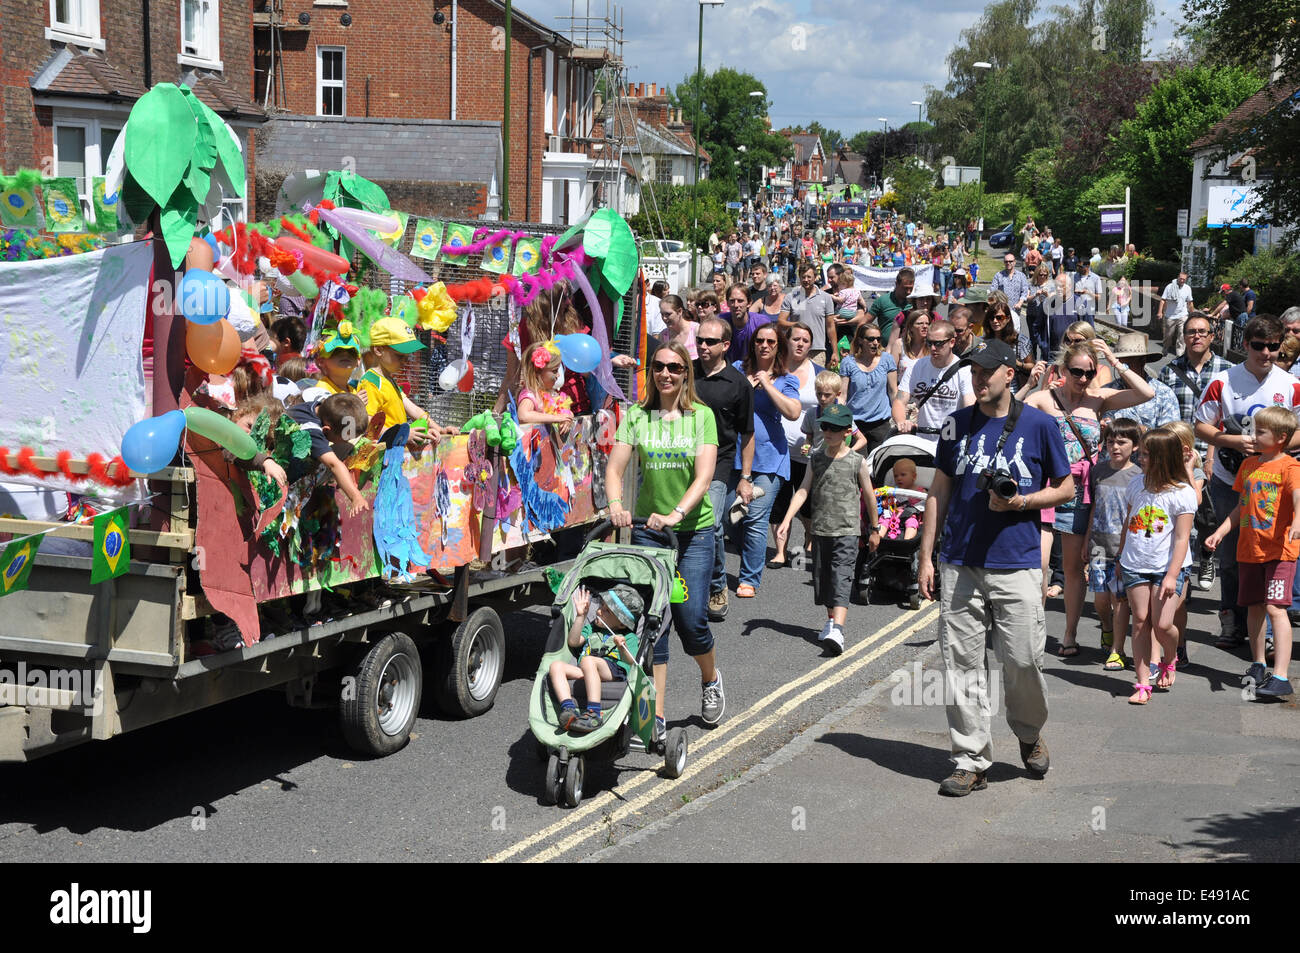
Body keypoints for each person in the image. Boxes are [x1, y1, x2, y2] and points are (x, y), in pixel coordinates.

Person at [919, 338, 1073, 796]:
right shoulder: (955, 424)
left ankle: (1028, 731)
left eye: (987, 371)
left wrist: (1022, 502)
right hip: (960, 561)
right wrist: (926, 556)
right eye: (973, 371)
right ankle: (970, 760)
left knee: (1023, 660)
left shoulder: (1041, 425)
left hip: (1017, 561)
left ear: (1010, 373)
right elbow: (938, 491)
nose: (978, 378)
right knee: (961, 665)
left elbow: (1066, 488)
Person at [607, 342, 725, 730]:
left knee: (691, 622)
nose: (666, 374)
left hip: (693, 533)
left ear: (686, 373)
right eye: (659, 367)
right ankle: (655, 712)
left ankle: (710, 678)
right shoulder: (638, 416)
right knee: (652, 624)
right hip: (649, 532)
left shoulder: (701, 416)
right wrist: (615, 504)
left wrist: (677, 514)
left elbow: (704, 477)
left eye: (674, 367)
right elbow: (615, 468)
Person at [1027, 338, 1154, 656]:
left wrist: (1113, 358)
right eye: (1076, 372)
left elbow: (1145, 393)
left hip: (1079, 493)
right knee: (1038, 566)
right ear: (1063, 370)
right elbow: (1009, 417)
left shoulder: (1098, 399)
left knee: (1072, 569)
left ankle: (1069, 634)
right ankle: (1034, 632)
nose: (1083, 379)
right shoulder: (1042, 399)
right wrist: (1030, 384)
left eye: (1089, 372)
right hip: (1046, 488)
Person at [1195, 315, 1300, 648]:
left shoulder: (1291, 385)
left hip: (1274, 486)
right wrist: (1234, 441)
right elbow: (1201, 425)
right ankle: (1232, 620)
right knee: (1232, 556)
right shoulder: (1223, 381)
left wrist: (1274, 448)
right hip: (1231, 480)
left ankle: (1265, 632)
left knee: (1270, 555)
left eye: (1273, 346)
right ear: (1244, 345)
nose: (1266, 353)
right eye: (1258, 346)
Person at [1205, 406, 1300, 700]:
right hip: (1249, 550)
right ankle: (1258, 663)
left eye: (1260, 432)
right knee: (1254, 607)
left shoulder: (1290, 467)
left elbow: (1298, 496)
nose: (1252, 436)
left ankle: (1280, 675)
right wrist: (1221, 531)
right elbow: (1240, 506)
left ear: (1281, 437)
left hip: (1280, 551)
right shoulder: (1248, 465)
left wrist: (1297, 521)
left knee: (1275, 608)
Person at [776, 403, 878, 655]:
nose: (828, 432)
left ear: (847, 432)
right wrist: (787, 519)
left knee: (841, 578)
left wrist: (875, 528)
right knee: (824, 582)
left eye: (834, 428)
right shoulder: (816, 459)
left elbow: (869, 496)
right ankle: (831, 621)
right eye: (825, 427)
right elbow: (803, 490)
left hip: (847, 531)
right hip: (821, 530)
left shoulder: (857, 462)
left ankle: (838, 631)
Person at [1116, 428, 1196, 704]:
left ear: (1163, 457)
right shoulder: (1136, 484)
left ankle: (1170, 657)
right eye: (1141, 453)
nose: (1140, 458)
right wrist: (1120, 555)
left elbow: (1182, 538)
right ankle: (1142, 683)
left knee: (1162, 625)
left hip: (1166, 567)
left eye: (1147, 454)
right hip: (1135, 563)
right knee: (1140, 621)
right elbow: (1128, 522)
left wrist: (1173, 575)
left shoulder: (1182, 492)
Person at [727, 324, 802, 597]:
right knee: (727, 518)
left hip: (770, 460)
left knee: (756, 519)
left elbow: (793, 412)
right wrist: (745, 387)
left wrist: (768, 385)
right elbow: (723, 402)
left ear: (778, 346)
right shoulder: (737, 369)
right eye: (760, 341)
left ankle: (749, 579)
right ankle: (747, 553)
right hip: (735, 457)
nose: (765, 345)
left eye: (771, 342)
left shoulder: (786, 379)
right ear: (753, 344)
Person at [692, 317, 754, 624]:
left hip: (719, 463)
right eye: (700, 340)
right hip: (682, 459)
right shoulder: (684, 372)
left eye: (710, 341)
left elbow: (747, 433)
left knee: (713, 525)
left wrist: (745, 478)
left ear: (726, 345)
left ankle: (717, 587)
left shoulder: (738, 384)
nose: (703, 346)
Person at [1082, 417, 1142, 672]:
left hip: (1124, 548)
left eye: (1122, 442)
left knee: (1120, 601)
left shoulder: (1139, 475)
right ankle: (1106, 627)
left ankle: (1118, 650)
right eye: (1110, 442)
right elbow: (1094, 507)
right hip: (1098, 545)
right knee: (1100, 600)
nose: (1115, 447)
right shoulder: (1098, 470)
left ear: (1135, 446)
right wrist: (1087, 540)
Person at [550, 584, 644, 733]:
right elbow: (573, 642)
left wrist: (621, 647)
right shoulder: (592, 628)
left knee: (588, 661)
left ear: (621, 623)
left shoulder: (628, 637)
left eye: (606, 611)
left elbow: (630, 661)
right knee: (556, 666)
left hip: (612, 672)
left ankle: (594, 713)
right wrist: (581, 616)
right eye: (601, 606)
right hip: (587, 670)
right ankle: (568, 709)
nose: (599, 611)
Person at [768, 322, 823, 568]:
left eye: (805, 340)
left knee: (807, 506)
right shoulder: (774, 369)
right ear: (786, 341)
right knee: (778, 503)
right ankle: (780, 551)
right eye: (796, 339)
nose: (800, 344)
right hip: (777, 451)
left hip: (808, 454)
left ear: (811, 345)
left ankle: (809, 538)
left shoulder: (819, 372)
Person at [358, 318, 446, 448]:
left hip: (395, 447)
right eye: (400, 356)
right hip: (381, 453)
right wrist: (401, 434)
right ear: (378, 350)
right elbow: (368, 422)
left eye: (407, 357)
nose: (405, 361)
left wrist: (439, 429)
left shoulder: (389, 380)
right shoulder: (371, 382)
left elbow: (413, 409)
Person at [284, 392, 371, 514]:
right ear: (326, 431)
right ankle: (289, 507)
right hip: (283, 475)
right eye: (346, 438)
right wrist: (355, 496)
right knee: (336, 456)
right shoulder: (311, 431)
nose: (348, 441)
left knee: (345, 447)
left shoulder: (322, 408)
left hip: (288, 455)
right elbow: (334, 465)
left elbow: (342, 408)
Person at [892, 318, 973, 446]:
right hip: (922, 441)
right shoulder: (917, 367)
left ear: (952, 342)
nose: (933, 348)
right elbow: (900, 401)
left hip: (952, 441)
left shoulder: (964, 371)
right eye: (929, 343)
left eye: (939, 343)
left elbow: (970, 405)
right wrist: (902, 422)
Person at [1102, 333, 1180, 433]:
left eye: (1126, 366)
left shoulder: (1163, 393)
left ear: (1142, 361)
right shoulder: (1107, 392)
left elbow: (1171, 435)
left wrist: (1144, 431)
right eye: (1118, 365)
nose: (1122, 369)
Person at [839, 323, 898, 452]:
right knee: (858, 462)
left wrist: (898, 418)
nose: (875, 343)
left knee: (878, 461)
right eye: (871, 339)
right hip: (856, 425)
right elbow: (842, 396)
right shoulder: (848, 362)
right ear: (860, 340)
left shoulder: (887, 359)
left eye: (878, 339)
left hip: (881, 424)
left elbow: (893, 391)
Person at [781, 262, 836, 364]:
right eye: (803, 277)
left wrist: (835, 351)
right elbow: (781, 322)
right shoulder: (791, 297)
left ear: (815, 277)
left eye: (809, 277)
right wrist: (797, 325)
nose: (806, 280)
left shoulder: (826, 297)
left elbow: (830, 326)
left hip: (817, 350)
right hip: (796, 349)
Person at [515, 342, 574, 428]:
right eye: (554, 371)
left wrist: (567, 418)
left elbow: (563, 411)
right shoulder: (531, 394)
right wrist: (555, 418)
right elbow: (523, 415)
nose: (558, 375)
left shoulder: (551, 392)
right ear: (537, 371)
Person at [983, 290, 1034, 388]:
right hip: (989, 389)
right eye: (991, 318)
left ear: (1008, 318)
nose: (995, 321)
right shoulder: (984, 341)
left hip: (1012, 390)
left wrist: (1018, 364)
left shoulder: (1020, 341)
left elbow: (1031, 365)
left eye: (999, 318)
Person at [724, 283, 773, 363]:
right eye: (732, 301)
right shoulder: (721, 322)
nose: (736, 305)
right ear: (727, 303)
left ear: (749, 303)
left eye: (740, 301)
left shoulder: (761, 323)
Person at [868, 268, 914, 348]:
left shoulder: (915, 302)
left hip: (909, 349)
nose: (908, 292)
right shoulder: (882, 301)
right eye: (905, 288)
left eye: (911, 288)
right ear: (896, 284)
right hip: (885, 349)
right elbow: (864, 323)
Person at [1158, 271, 1196, 356]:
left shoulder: (1187, 288)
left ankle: (1180, 354)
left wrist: (1192, 314)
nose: (1182, 280)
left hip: (1182, 315)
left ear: (1186, 280)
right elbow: (1163, 300)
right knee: (1168, 336)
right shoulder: (1170, 287)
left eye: (1184, 279)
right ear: (1178, 277)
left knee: (1182, 335)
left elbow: (1190, 302)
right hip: (1170, 316)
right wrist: (1160, 312)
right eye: (1181, 279)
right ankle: (1165, 348)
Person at [889, 309, 931, 381]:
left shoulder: (932, 345)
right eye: (920, 323)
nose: (925, 326)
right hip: (902, 386)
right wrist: (894, 388)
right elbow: (891, 371)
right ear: (911, 327)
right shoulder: (899, 344)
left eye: (927, 323)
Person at [991, 252, 1032, 316]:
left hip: (1016, 310)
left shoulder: (1021, 276)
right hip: (1001, 310)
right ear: (1004, 262)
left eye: (1010, 261)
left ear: (1014, 262)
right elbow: (993, 292)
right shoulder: (998, 275)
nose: (1008, 263)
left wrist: (1020, 303)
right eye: (1006, 261)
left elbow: (1024, 291)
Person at [659, 294, 699, 359]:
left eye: (668, 314)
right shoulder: (663, 335)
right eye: (662, 314)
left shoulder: (696, 330)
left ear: (680, 311)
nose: (664, 318)